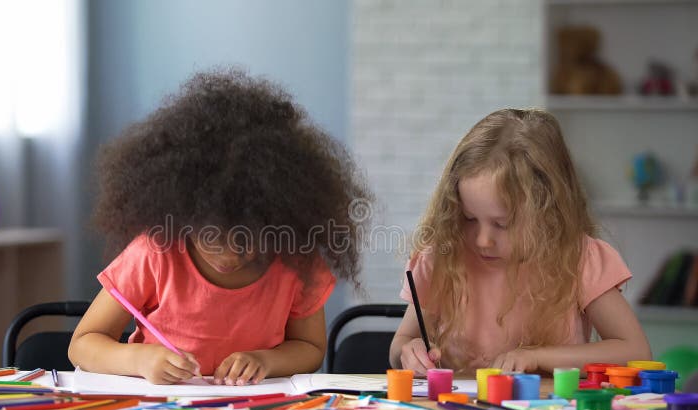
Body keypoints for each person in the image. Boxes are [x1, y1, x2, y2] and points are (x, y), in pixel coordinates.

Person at [69, 68, 371, 385]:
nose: (229, 255)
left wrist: (265, 360)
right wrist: (140, 359)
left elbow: (310, 348)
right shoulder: (156, 252)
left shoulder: (296, 262)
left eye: (247, 241)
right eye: (210, 238)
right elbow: (83, 344)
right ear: (184, 216)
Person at [389, 108, 651, 375]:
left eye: (502, 224)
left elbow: (635, 352)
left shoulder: (579, 259)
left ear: (547, 213)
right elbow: (400, 344)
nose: (482, 240)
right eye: (468, 218)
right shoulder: (444, 256)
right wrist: (409, 352)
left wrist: (537, 357)